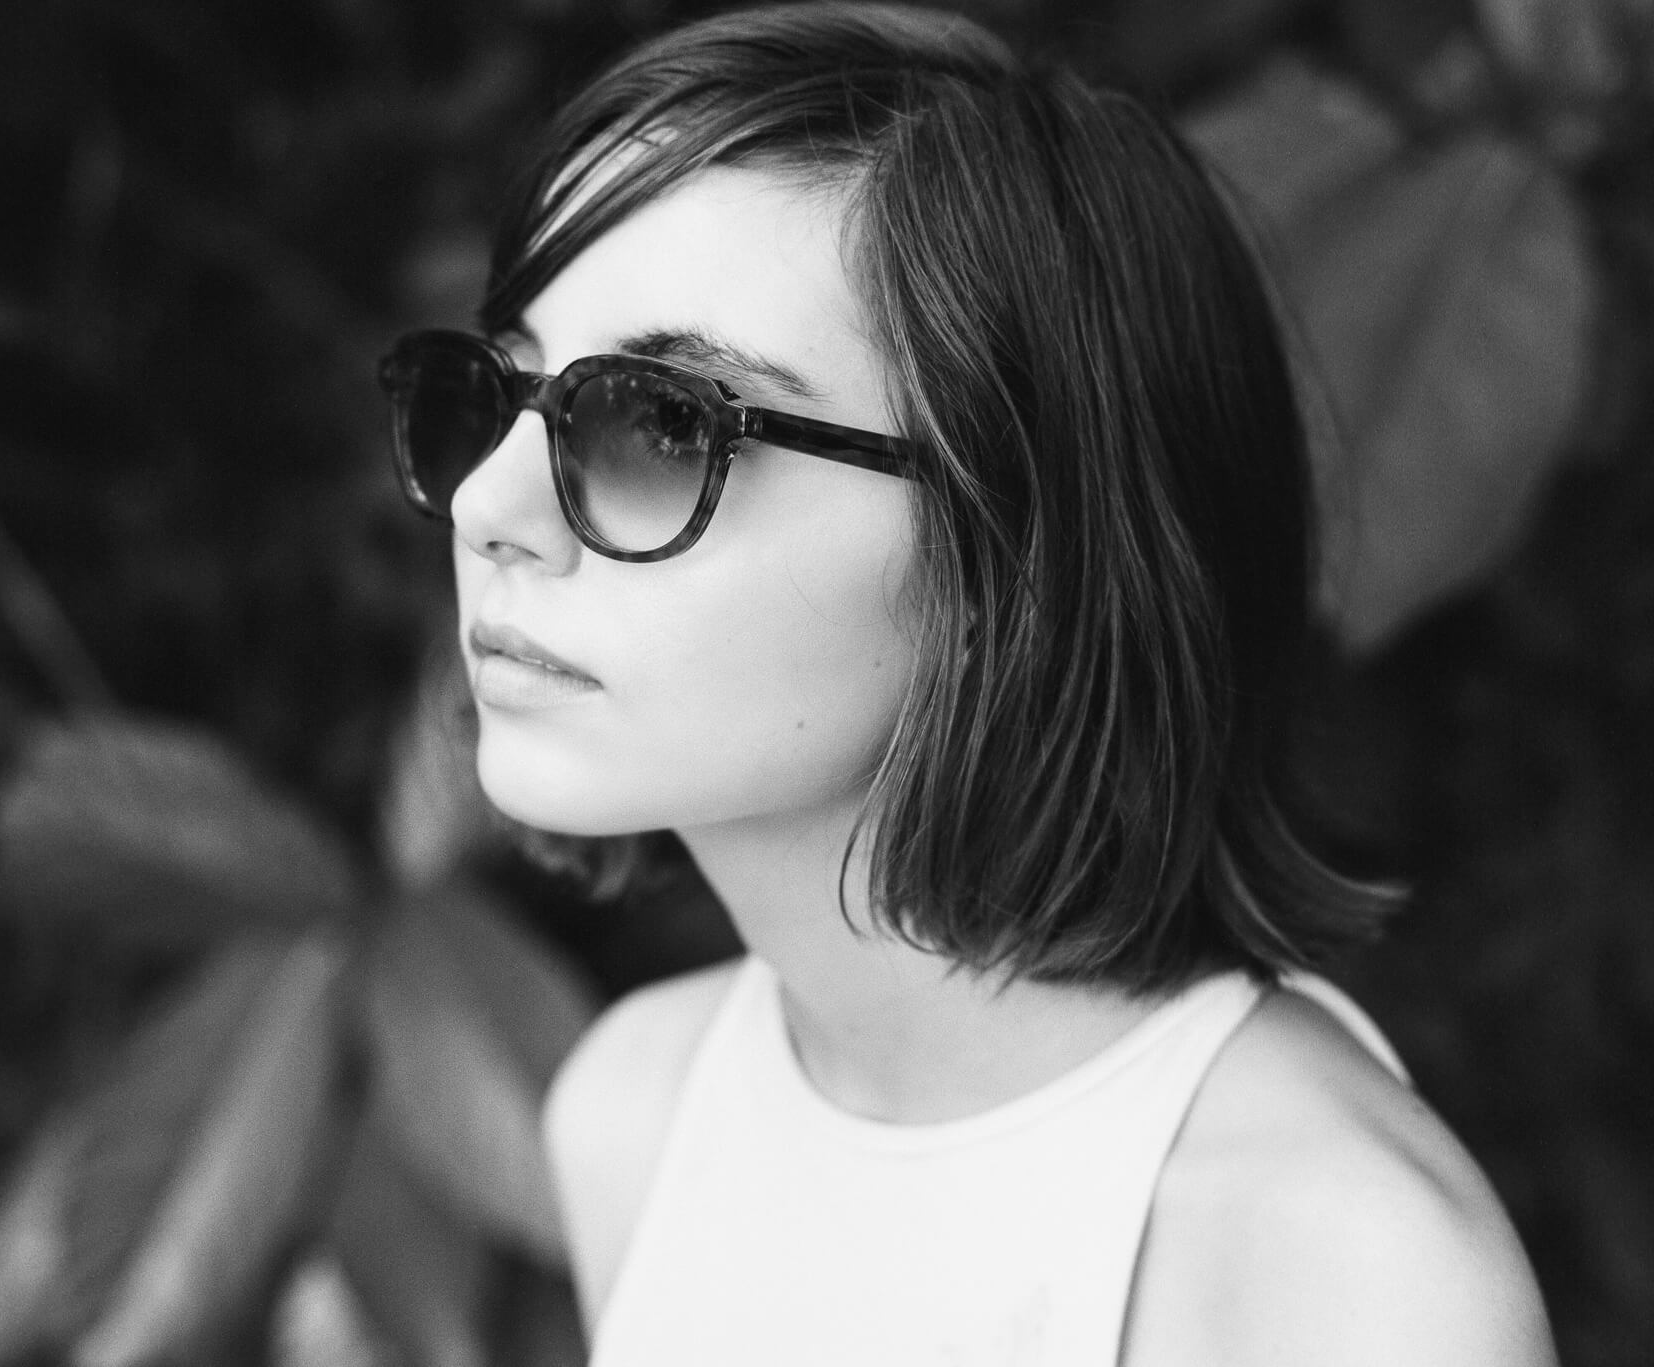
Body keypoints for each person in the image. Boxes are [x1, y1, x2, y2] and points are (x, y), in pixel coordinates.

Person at [376, 4, 1556, 1362]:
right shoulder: (631, 1115)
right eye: (504, 388)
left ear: (1010, 551)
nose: (489, 506)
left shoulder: (1345, 1279)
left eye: (660, 425)